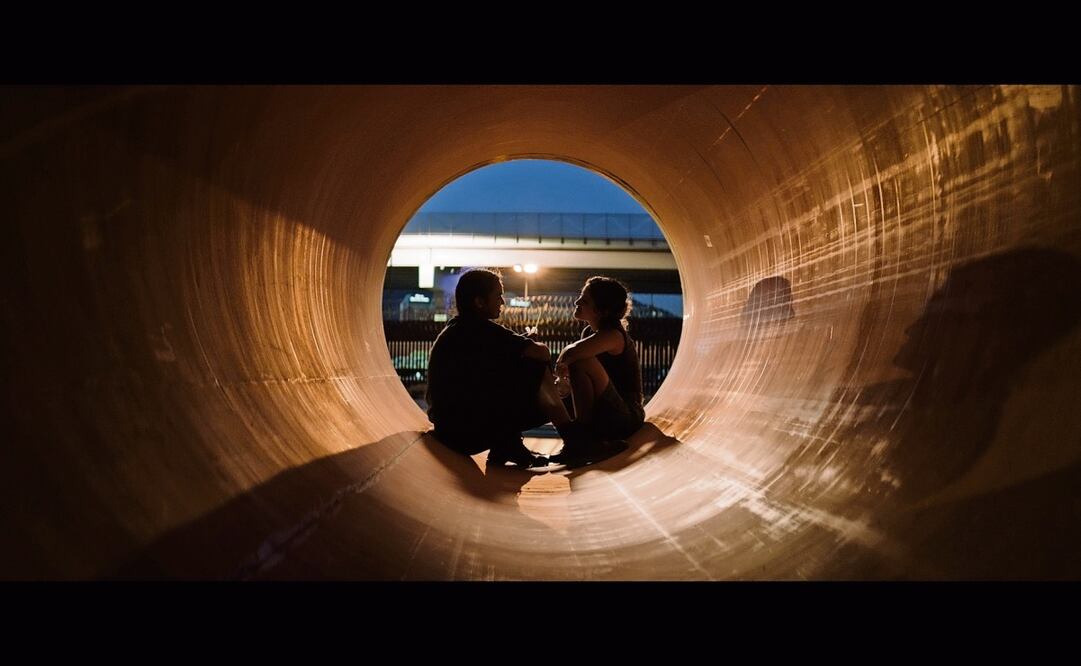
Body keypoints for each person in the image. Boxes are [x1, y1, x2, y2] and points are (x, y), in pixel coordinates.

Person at [426, 269, 621, 469]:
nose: (502, 302)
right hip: (469, 433)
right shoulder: (482, 329)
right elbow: (542, 353)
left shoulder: (455, 331)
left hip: (450, 431)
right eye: (498, 296)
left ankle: (508, 445)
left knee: (507, 378)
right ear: (480, 302)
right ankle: (575, 441)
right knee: (535, 368)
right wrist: (531, 351)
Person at [550, 276, 644, 464]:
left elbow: (571, 354)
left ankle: (583, 439)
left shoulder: (614, 335)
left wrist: (562, 368)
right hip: (603, 412)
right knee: (546, 384)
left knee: (581, 362)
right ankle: (574, 441)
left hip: (624, 417)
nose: (576, 302)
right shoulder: (589, 333)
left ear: (602, 310)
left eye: (584, 300)